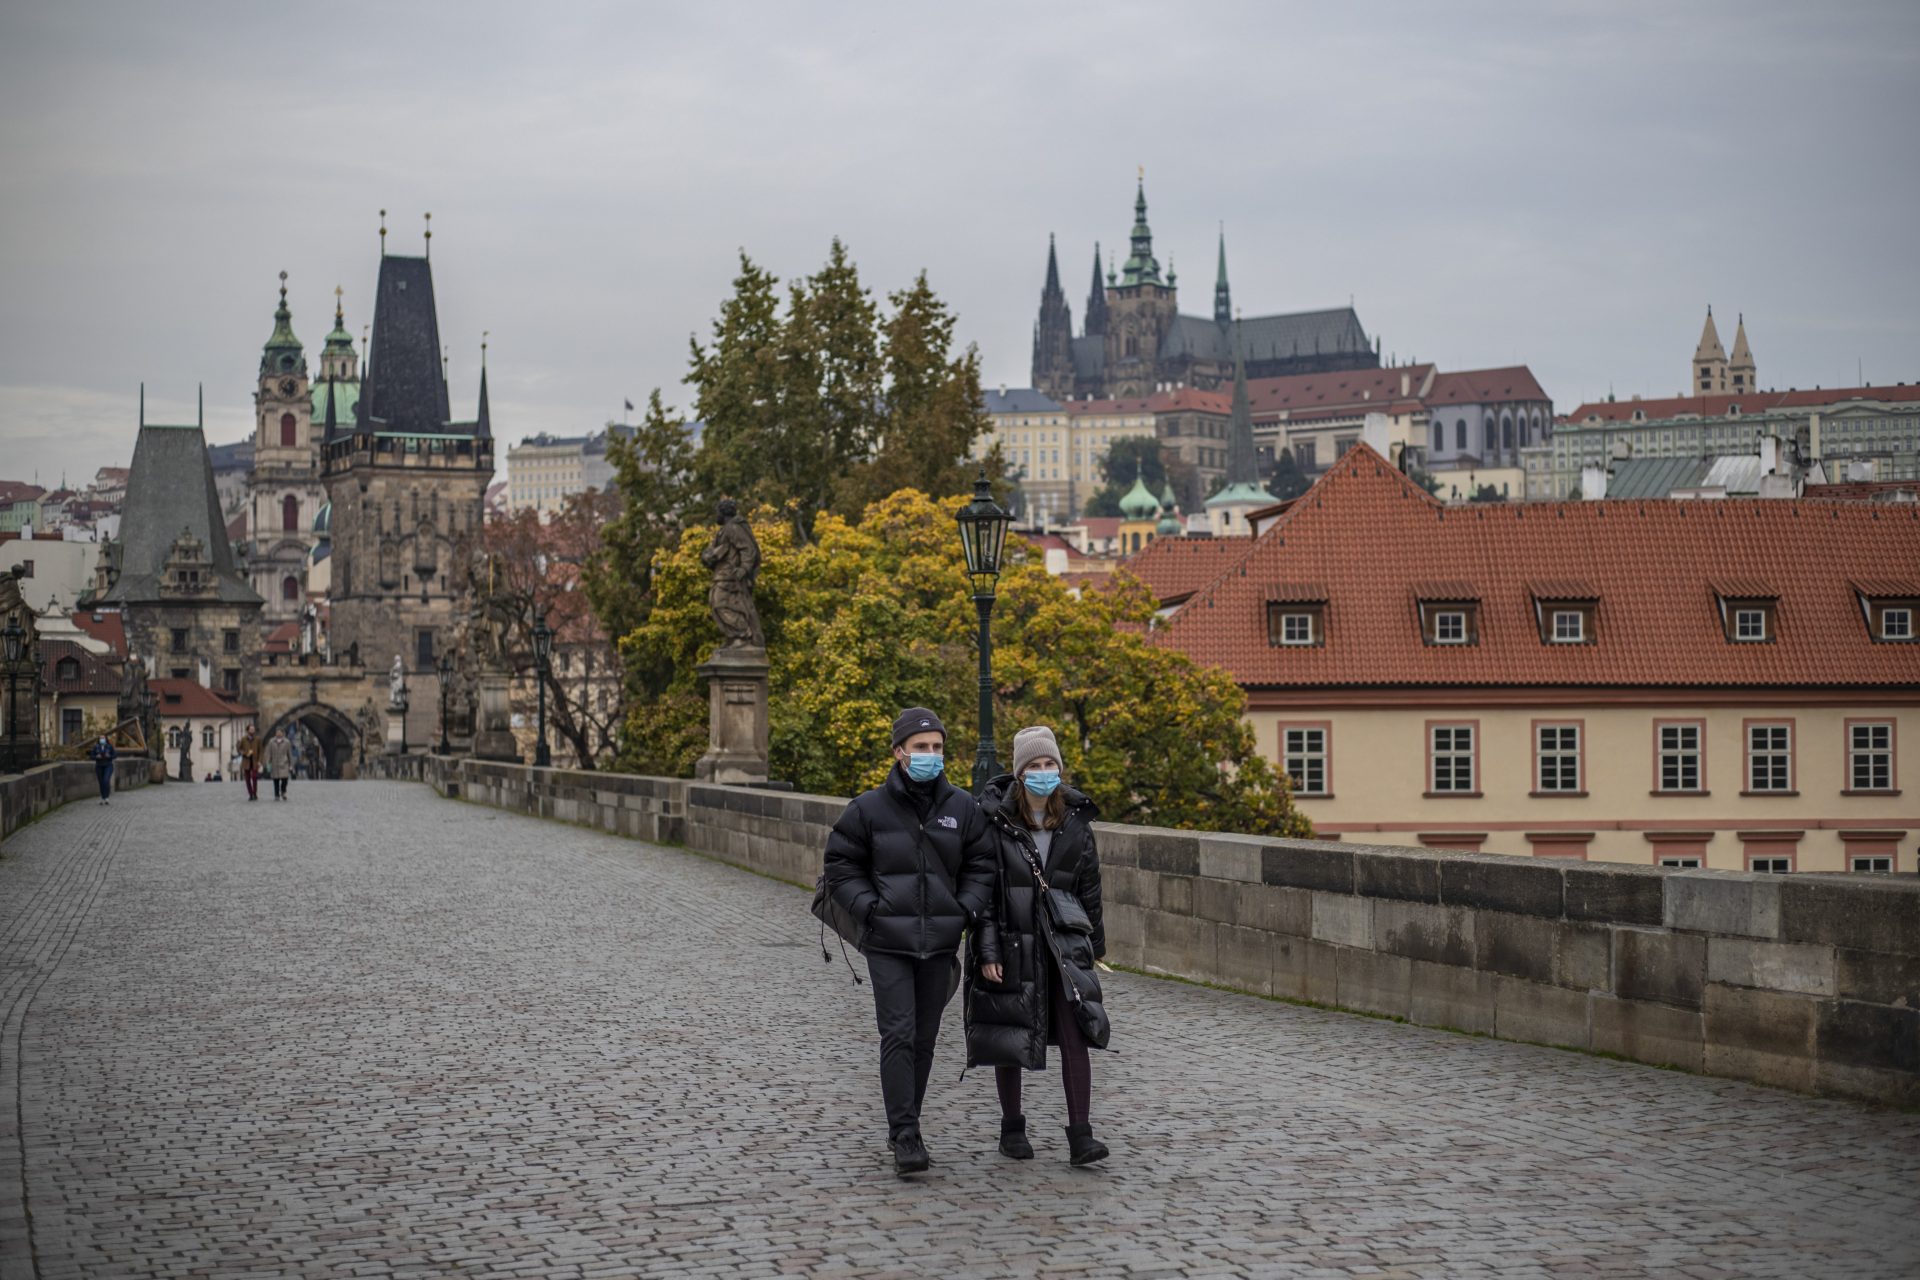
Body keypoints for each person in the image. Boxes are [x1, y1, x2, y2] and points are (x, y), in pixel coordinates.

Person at [821, 707, 997, 1176]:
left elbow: (982, 865)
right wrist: (870, 908)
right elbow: (839, 866)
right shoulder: (868, 808)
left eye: (938, 748)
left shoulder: (962, 807)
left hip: (939, 941)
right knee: (897, 1033)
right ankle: (904, 1133)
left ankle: (910, 1120)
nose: (931, 756)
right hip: (888, 941)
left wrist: (964, 910)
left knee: (924, 1039)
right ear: (900, 752)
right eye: (921, 748)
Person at [966, 725, 1112, 1166]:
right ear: (1019, 773)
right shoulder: (995, 822)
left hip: (1063, 947)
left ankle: (1080, 1135)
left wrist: (1095, 950)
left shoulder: (1075, 823)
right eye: (1034, 766)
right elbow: (985, 894)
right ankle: (1013, 1128)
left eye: (1050, 764)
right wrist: (987, 952)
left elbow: (1090, 891)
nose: (1044, 772)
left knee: (1076, 1033)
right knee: (1009, 1033)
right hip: (1011, 942)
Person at [265, 728, 294, 801]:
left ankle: (283, 791)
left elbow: (289, 754)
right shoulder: (271, 741)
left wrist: (291, 765)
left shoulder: (287, 742)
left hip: (284, 763)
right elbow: (269, 753)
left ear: (283, 733)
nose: (278, 734)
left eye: (280, 732)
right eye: (277, 732)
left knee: (285, 779)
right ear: (275, 733)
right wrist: (268, 762)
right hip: (275, 763)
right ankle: (276, 794)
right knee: (276, 781)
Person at [88, 735, 116, 805]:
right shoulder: (96, 747)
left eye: (103, 738)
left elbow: (115, 755)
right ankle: (103, 798)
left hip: (108, 765)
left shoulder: (109, 746)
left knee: (106, 780)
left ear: (106, 739)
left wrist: (109, 756)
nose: (102, 739)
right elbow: (91, 756)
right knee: (101, 782)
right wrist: (96, 756)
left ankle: (107, 797)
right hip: (99, 766)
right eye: (100, 738)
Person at [238, 725, 262, 801]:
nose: (252, 731)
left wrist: (259, 760)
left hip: (255, 761)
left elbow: (261, 751)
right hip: (246, 761)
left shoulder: (257, 739)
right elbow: (240, 749)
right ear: (247, 730)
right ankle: (250, 794)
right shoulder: (243, 739)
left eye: (253, 729)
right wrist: (245, 753)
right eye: (251, 729)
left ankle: (255, 793)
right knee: (247, 779)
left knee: (254, 777)